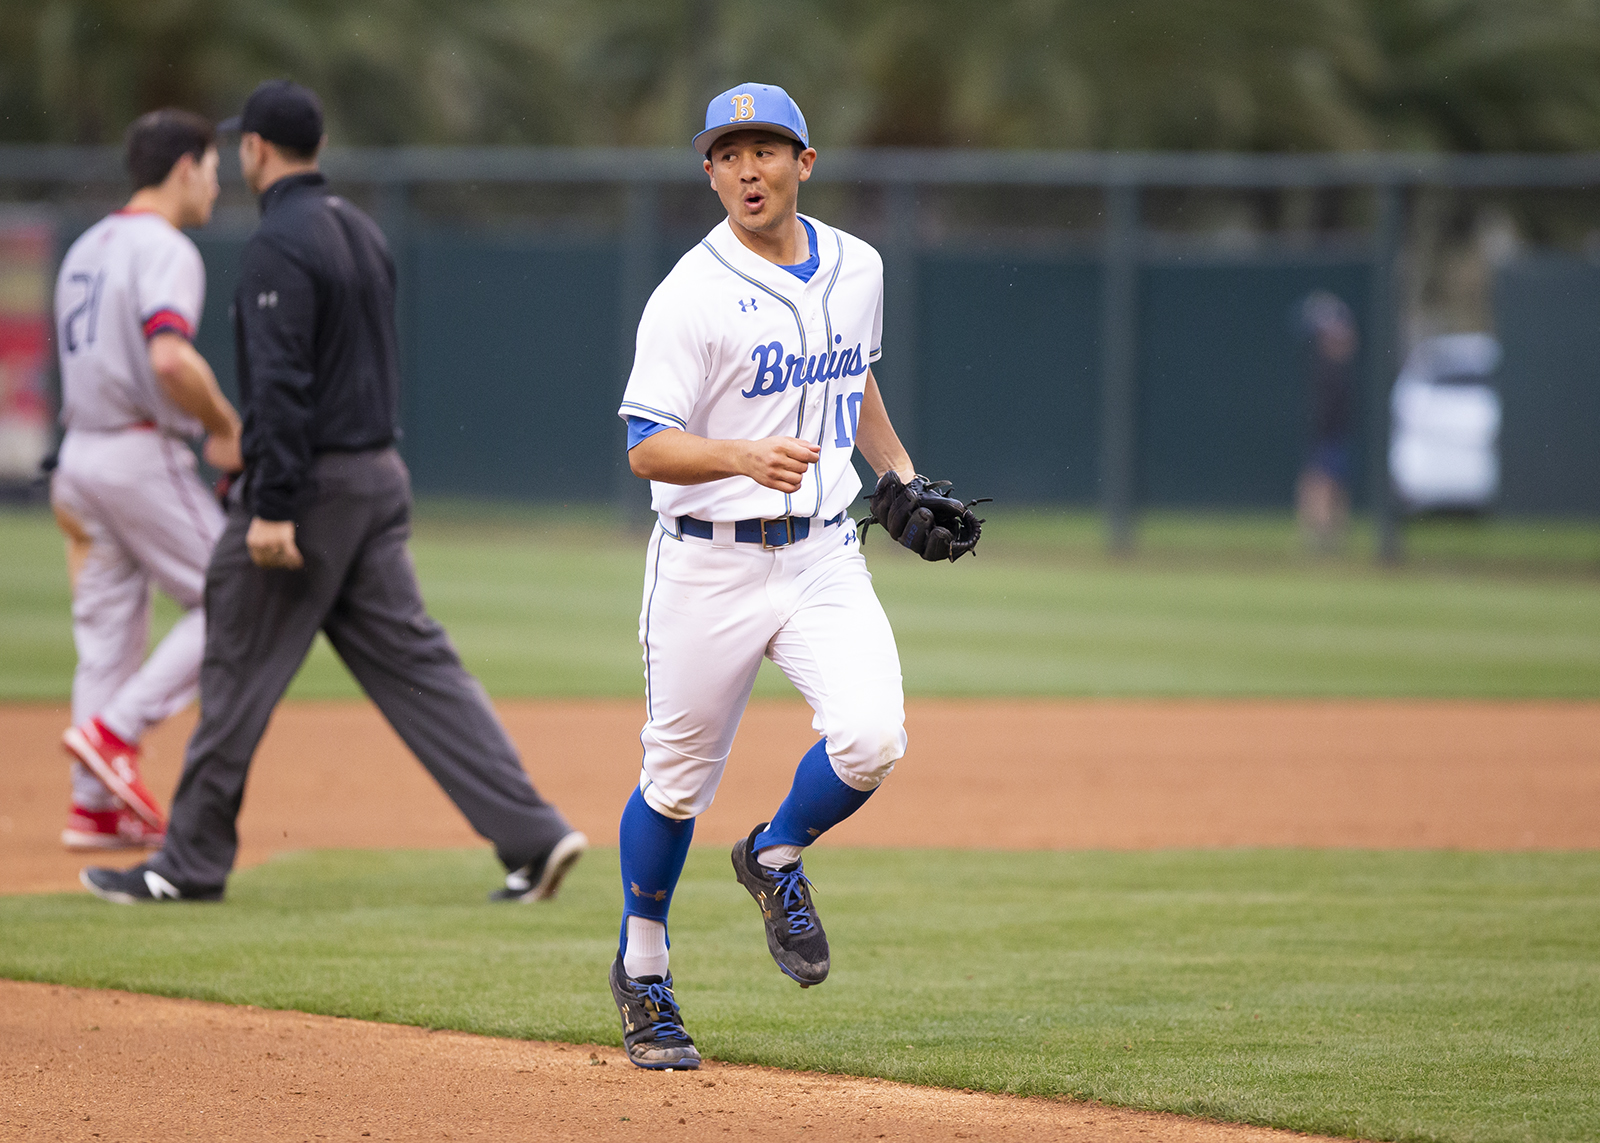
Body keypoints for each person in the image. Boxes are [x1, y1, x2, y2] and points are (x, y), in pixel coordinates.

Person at [81, 79, 586, 905]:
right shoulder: (358, 226)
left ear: (256, 149)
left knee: (237, 662)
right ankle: (534, 833)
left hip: (309, 486)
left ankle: (186, 863)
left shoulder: (281, 239)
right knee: (420, 668)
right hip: (377, 475)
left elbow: (281, 386)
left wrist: (272, 503)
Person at [607, 83, 921, 1070]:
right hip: (707, 561)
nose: (748, 169)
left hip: (823, 549)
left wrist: (900, 475)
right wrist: (741, 457)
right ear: (709, 171)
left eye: (766, 150)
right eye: (728, 153)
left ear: (804, 164)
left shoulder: (858, 266)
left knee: (871, 739)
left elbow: (851, 372)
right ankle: (644, 968)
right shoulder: (687, 295)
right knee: (673, 784)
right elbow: (645, 450)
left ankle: (774, 854)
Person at [50, 109, 242, 852]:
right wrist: (225, 425)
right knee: (236, 593)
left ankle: (94, 806)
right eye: (213, 168)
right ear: (186, 166)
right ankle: (114, 731)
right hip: (137, 450)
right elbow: (169, 358)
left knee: (106, 635)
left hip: (79, 457)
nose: (217, 184)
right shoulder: (164, 246)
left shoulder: (86, 246)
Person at [1294, 290, 1358, 552]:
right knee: (1320, 482)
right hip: (1327, 435)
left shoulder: (1334, 371)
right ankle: (1324, 537)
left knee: (1322, 483)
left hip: (1332, 435)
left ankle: (1325, 538)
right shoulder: (1326, 370)